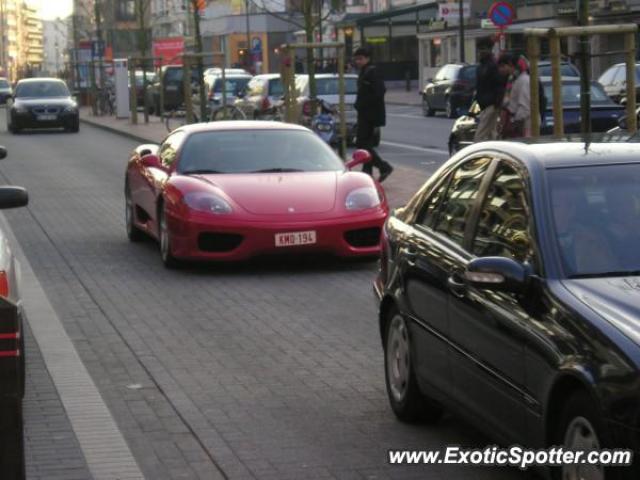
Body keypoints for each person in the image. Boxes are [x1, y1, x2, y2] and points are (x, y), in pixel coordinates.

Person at [353, 46, 393, 182]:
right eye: (356, 59)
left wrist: (364, 104)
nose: (358, 61)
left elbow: (379, 91)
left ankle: (383, 167)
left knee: (362, 142)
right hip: (365, 112)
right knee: (366, 143)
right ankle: (367, 172)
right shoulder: (365, 71)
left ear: (367, 59)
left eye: (361, 59)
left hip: (370, 114)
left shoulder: (372, 72)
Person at [474, 45, 507, 142]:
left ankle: (477, 150)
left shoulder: (483, 68)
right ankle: (494, 148)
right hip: (491, 102)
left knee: (482, 132)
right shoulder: (492, 67)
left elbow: (480, 88)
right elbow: (499, 84)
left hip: (487, 103)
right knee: (491, 131)